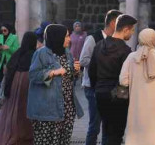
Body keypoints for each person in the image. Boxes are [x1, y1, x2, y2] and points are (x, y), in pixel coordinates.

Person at [27, 24, 83, 145]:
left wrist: (76, 71)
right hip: (48, 109)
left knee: (64, 141)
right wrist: (53, 72)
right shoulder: (41, 53)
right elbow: (33, 75)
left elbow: (69, 76)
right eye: (67, 36)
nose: (69, 39)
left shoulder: (67, 53)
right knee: (47, 141)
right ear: (57, 37)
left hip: (67, 107)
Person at [119, 28, 155, 145]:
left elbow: (123, 81)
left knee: (134, 136)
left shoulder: (131, 58)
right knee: (151, 137)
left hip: (136, 103)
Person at [90, 14, 137, 145]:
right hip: (118, 94)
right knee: (116, 133)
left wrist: (97, 88)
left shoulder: (99, 45)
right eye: (132, 30)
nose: (132, 33)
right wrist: (124, 97)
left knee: (107, 129)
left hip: (100, 93)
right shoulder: (126, 50)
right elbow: (127, 78)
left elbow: (91, 71)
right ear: (125, 29)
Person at [0, 31, 39, 145]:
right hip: (27, 88)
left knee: (13, 113)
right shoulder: (35, 55)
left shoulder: (18, 54)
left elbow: (9, 69)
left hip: (14, 87)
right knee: (25, 114)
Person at [80, 9, 121, 145]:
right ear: (113, 22)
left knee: (108, 126)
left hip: (109, 87)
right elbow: (83, 60)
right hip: (93, 87)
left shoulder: (116, 41)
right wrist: (104, 64)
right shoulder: (93, 38)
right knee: (95, 125)